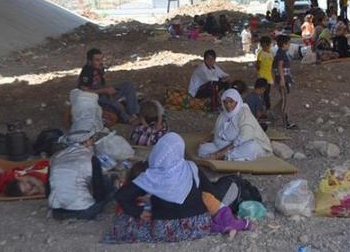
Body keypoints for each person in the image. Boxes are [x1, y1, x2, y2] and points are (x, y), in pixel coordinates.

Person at [105, 133, 249, 244]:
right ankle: (223, 226)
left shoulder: (151, 176)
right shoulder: (192, 168)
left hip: (164, 231)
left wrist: (138, 212)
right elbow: (211, 191)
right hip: (198, 226)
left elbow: (120, 196)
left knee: (123, 222)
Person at [48, 129, 115, 220]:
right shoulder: (91, 158)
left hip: (57, 212)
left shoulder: (55, 157)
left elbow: (48, 189)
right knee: (110, 188)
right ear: (86, 141)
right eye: (91, 139)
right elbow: (98, 191)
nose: (93, 142)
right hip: (83, 211)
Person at [198, 89, 273, 161]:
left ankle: (225, 156)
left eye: (231, 102)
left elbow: (244, 137)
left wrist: (221, 153)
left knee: (251, 147)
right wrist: (206, 139)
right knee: (203, 149)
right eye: (225, 102)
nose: (228, 105)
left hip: (242, 144)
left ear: (237, 102)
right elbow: (216, 131)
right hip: (226, 144)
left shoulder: (244, 113)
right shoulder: (223, 114)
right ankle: (229, 157)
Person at [78, 48, 139, 125]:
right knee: (115, 105)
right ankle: (128, 119)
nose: (100, 62)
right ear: (89, 61)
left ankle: (133, 113)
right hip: (95, 98)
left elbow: (101, 83)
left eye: (101, 59)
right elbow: (84, 92)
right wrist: (104, 91)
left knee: (128, 86)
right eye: (97, 60)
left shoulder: (99, 68)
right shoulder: (86, 72)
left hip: (104, 92)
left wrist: (108, 89)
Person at [273, 35, 297, 129]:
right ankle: (285, 122)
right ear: (284, 44)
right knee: (285, 100)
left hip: (284, 78)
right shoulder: (281, 54)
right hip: (283, 80)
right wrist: (282, 79)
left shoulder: (280, 53)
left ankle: (277, 115)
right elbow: (280, 66)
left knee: (284, 99)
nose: (289, 45)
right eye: (289, 43)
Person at [255, 36, 274, 110]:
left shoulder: (271, 53)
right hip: (262, 76)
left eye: (266, 45)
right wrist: (259, 70)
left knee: (267, 93)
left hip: (268, 76)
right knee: (263, 93)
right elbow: (257, 64)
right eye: (263, 46)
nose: (264, 47)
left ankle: (266, 106)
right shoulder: (261, 53)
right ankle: (265, 107)